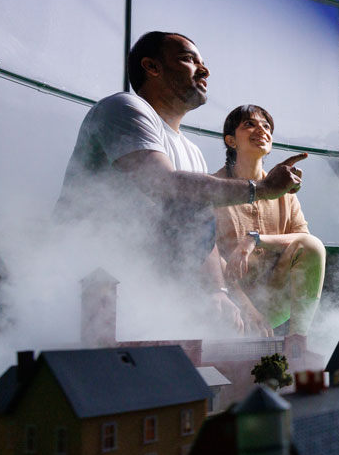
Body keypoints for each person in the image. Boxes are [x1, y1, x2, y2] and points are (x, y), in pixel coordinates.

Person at [56, 32, 307, 332]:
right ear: (152, 67)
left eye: (203, 62)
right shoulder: (124, 108)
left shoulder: (193, 153)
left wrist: (218, 291)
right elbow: (164, 185)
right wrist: (263, 190)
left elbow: (200, 232)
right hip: (86, 281)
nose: (205, 70)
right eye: (189, 59)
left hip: (145, 292)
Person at [215, 104, 326, 343]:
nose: (262, 130)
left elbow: (303, 242)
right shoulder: (214, 188)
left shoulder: (284, 190)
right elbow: (207, 257)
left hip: (273, 301)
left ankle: (298, 342)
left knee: (313, 247)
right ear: (231, 141)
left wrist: (253, 240)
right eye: (249, 124)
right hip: (230, 304)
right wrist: (247, 308)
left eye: (267, 127)